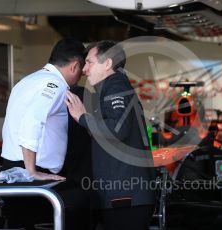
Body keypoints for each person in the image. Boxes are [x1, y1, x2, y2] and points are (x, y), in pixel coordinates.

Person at [66, 40, 156, 230]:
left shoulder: (115, 87)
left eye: (89, 62)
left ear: (107, 64)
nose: (84, 69)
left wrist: (82, 117)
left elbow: (117, 129)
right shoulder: (111, 88)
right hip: (123, 195)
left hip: (125, 196)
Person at [0, 38, 85, 180]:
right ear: (75, 66)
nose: (81, 76)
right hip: (30, 172)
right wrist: (32, 171)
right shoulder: (55, 84)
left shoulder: (28, 80)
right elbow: (32, 120)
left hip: (12, 165)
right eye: (82, 71)